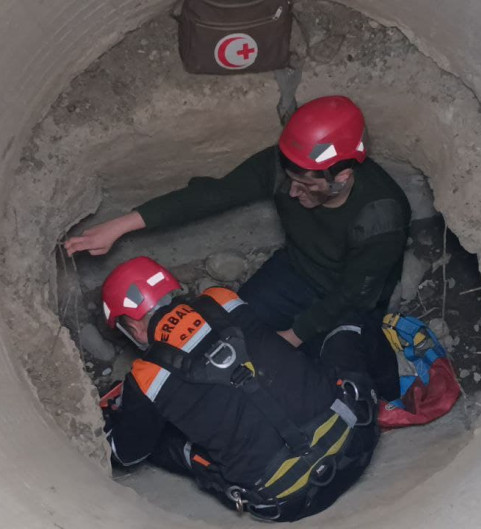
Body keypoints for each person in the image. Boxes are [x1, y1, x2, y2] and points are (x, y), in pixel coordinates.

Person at [65, 96, 411, 405]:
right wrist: (121, 225)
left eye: (307, 185)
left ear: (342, 177)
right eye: (291, 180)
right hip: (297, 272)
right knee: (228, 334)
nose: (293, 193)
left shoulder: (381, 215)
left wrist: (293, 336)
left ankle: (390, 398)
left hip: (350, 300)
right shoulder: (282, 168)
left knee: (334, 375)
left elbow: (354, 294)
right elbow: (213, 195)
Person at [101, 257, 391, 521]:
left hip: (288, 500)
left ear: (134, 327)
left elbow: (128, 454)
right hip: (358, 439)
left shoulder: (146, 378)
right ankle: (394, 395)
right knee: (347, 325)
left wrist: (114, 419)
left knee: (168, 438)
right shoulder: (221, 299)